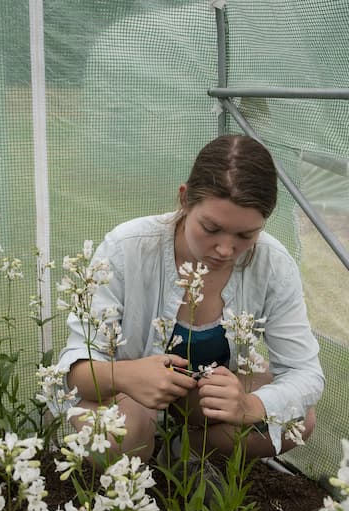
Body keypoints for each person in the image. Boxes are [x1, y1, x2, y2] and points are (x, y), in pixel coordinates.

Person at [57, 134, 324, 467]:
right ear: (184, 199)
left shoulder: (273, 264)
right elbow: (76, 372)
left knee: (297, 421)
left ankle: (183, 455)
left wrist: (248, 406)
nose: (226, 249)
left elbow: (305, 373)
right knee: (107, 436)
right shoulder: (127, 247)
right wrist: (127, 375)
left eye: (246, 235)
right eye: (211, 228)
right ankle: (138, 460)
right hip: (130, 398)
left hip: (205, 406)